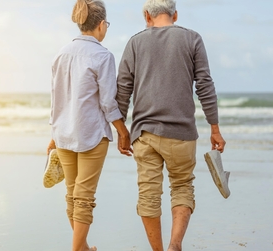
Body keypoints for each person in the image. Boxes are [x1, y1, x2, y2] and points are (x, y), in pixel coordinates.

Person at [115, 0, 226, 250]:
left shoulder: (135, 42)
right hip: (182, 133)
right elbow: (205, 86)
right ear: (175, 14)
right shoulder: (192, 39)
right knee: (182, 185)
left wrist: (121, 130)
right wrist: (215, 128)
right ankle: (175, 244)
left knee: (148, 193)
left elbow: (122, 89)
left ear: (147, 16)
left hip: (144, 133)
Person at [46, 0, 132, 250]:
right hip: (91, 134)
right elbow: (107, 102)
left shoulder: (60, 54)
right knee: (84, 197)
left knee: (72, 194)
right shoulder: (103, 55)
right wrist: (122, 131)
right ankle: (77, 249)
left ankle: (83, 248)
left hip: (63, 134)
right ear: (102, 25)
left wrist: (53, 134)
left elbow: (55, 100)